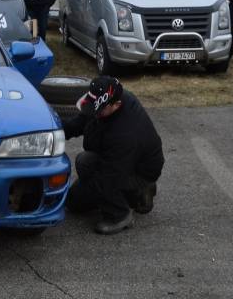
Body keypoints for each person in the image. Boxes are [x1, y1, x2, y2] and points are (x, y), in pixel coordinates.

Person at [63, 76, 165, 235]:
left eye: (98, 111)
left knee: (87, 185)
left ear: (116, 105)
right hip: (118, 160)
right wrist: (56, 131)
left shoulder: (125, 133)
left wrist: (91, 190)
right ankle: (133, 194)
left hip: (139, 171)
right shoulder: (105, 101)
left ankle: (121, 214)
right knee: (75, 194)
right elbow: (80, 121)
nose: (94, 114)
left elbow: (110, 177)